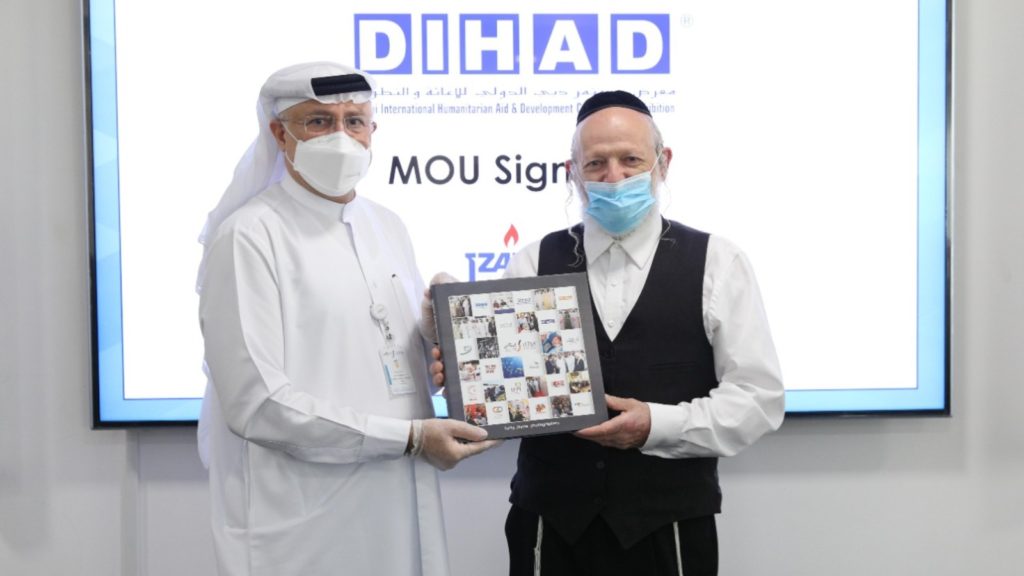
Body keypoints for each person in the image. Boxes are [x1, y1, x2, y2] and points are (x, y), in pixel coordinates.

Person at [431, 90, 784, 575]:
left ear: (663, 162)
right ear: (572, 172)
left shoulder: (719, 263)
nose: (614, 177)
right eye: (595, 163)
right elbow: (506, 391)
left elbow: (758, 399)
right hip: (549, 529)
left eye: (630, 159)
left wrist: (656, 426)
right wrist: (466, 376)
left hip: (670, 531)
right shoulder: (532, 262)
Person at [195, 62, 497, 576]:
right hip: (305, 526)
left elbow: (387, 364)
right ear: (280, 134)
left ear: (372, 130)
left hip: (400, 507)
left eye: (354, 121)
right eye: (318, 121)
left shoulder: (388, 225)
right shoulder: (249, 236)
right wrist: (409, 439)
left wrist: (441, 334)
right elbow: (258, 404)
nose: (341, 136)